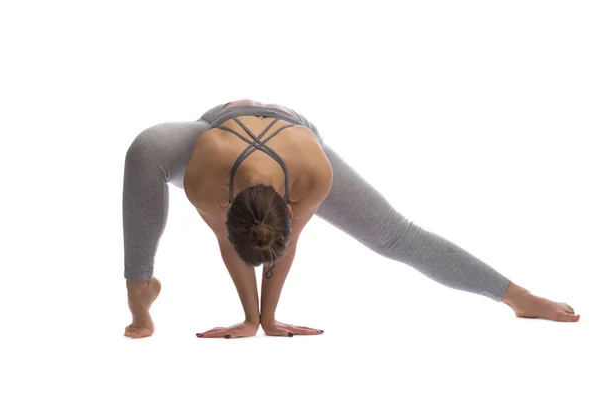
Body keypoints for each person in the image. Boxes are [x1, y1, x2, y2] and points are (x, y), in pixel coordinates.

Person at [122, 99, 580, 339]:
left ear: (289, 208)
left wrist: (269, 316)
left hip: (291, 131)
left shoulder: (313, 172)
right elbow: (230, 245)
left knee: (397, 236)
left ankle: (519, 297)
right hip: (217, 125)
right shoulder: (205, 176)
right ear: (226, 209)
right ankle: (140, 295)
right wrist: (252, 318)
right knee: (145, 149)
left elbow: (287, 246)